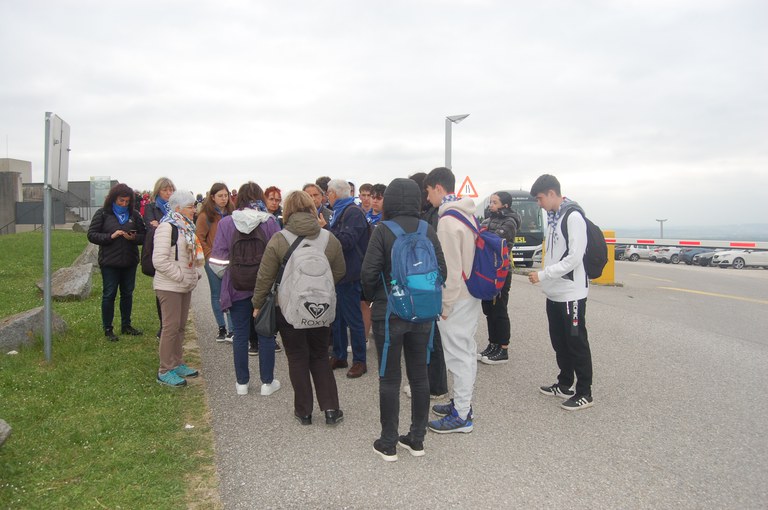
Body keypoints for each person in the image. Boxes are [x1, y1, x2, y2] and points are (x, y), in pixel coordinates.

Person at [362, 178, 447, 461]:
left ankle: (388, 443)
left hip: (390, 312)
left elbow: (368, 274)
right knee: (419, 376)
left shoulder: (383, 230)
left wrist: (376, 294)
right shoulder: (427, 229)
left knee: (389, 378)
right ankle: (417, 440)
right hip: (423, 312)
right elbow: (442, 271)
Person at [252, 190, 346, 425]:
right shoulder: (328, 238)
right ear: (312, 209)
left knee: (296, 357)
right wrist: (321, 289)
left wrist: (257, 304)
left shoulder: (279, 238)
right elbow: (340, 270)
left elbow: (265, 276)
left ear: (288, 211)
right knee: (320, 356)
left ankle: (304, 411)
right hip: (321, 308)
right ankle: (331, 408)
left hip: (288, 308)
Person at [528, 174, 594, 411]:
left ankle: (585, 391)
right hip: (554, 293)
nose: (539, 203)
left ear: (552, 194)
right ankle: (565, 382)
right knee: (559, 341)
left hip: (571, 293)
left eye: (540, 198)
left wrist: (544, 275)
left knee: (576, 342)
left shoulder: (573, 217)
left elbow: (575, 257)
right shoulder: (554, 218)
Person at [210, 182, 282, 396]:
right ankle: (267, 383)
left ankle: (242, 383)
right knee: (266, 334)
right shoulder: (269, 222)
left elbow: (216, 261)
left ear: (238, 198)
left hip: (236, 287)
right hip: (264, 289)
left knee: (240, 334)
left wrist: (233, 276)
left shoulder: (226, 223)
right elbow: (278, 257)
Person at [424, 167, 479, 434]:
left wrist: (444, 305)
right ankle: (461, 403)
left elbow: (450, 269)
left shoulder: (447, 220)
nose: (427, 197)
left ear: (437, 188)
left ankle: (462, 415)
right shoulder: (467, 213)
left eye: (428, 191)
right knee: (466, 350)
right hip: (471, 293)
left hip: (457, 296)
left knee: (458, 355)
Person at [153, 190, 204, 387]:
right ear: (178, 209)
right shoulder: (167, 228)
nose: (194, 210)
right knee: (170, 328)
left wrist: (194, 274)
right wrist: (181, 276)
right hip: (169, 287)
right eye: (191, 207)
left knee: (180, 327)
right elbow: (159, 260)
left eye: (194, 206)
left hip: (184, 286)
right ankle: (165, 370)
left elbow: (189, 258)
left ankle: (177, 362)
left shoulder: (186, 228)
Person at [87, 183, 146, 341]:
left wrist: (133, 237)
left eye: (127, 201)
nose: (124, 204)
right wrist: (110, 237)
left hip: (129, 261)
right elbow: (92, 234)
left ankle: (126, 325)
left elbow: (143, 236)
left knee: (127, 294)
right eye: (121, 201)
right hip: (109, 262)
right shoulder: (103, 214)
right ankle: (108, 328)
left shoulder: (134, 215)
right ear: (113, 199)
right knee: (109, 294)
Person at [408, 172, 448, 400]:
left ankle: (435, 385)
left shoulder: (433, 216)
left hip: (430, 282)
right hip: (433, 281)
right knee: (432, 335)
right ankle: (435, 384)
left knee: (432, 335)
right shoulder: (431, 213)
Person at [326, 178, 370, 378]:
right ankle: (340, 355)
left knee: (353, 319)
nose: (327, 196)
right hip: (339, 273)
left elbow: (347, 241)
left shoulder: (352, 212)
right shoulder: (340, 212)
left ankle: (360, 361)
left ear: (334, 194)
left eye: (328, 193)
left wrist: (325, 230)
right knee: (337, 318)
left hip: (350, 273)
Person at [478, 191, 522, 365]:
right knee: (488, 309)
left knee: (500, 309)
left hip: (501, 271)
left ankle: (503, 348)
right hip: (487, 271)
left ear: (505, 205)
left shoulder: (510, 222)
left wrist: (481, 236)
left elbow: (494, 240)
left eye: (495, 202)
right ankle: (492, 344)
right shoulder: (487, 220)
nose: (491, 205)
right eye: (490, 202)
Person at [195, 182, 235, 342]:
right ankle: (221, 327)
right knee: (216, 294)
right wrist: (209, 255)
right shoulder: (206, 216)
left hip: (230, 260)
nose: (224, 199)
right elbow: (199, 237)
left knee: (230, 293)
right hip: (212, 260)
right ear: (212, 197)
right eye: (220, 196)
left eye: (226, 195)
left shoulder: (233, 213)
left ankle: (232, 329)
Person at [143, 177, 177, 339]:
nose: (168, 193)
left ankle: (173, 323)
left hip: (176, 252)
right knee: (162, 290)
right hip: (160, 251)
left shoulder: (177, 207)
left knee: (175, 289)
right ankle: (163, 325)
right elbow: (151, 226)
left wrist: (162, 224)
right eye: (165, 190)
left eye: (171, 190)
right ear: (158, 191)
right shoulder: (151, 207)